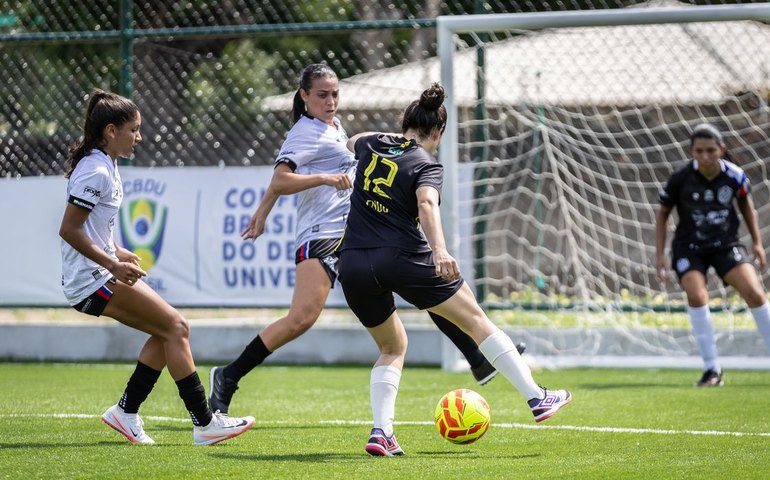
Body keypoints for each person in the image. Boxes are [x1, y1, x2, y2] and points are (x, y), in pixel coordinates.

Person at [208, 64, 520, 415]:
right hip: (323, 235)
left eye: (335, 94)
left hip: (354, 232)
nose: (331, 101)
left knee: (421, 282)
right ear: (304, 96)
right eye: (322, 95)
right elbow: (281, 179)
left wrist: (263, 213)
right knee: (301, 319)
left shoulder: (334, 127)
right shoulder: (304, 132)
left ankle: (476, 357)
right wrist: (325, 179)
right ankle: (228, 375)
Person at [337, 83, 572, 457]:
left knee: (392, 346)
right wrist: (440, 251)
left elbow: (355, 140)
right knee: (478, 321)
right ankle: (537, 398)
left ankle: (382, 432)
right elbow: (427, 204)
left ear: (405, 123)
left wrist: (392, 138)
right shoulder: (426, 164)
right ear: (439, 132)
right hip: (403, 257)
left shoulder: (372, 143)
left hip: (352, 263)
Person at [59, 89, 254, 445]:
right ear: (111, 131)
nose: (139, 137)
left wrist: (118, 250)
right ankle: (205, 423)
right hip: (90, 280)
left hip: (98, 272)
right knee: (176, 327)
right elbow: (69, 229)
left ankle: (125, 412)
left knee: (169, 331)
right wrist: (112, 263)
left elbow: (93, 228)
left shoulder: (106, 164)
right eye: (133, 129)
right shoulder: (95, 169)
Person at [656, 123, 770, 387]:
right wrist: (659, 254)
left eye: (710, 150)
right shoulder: (680, 178)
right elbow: (662, 214)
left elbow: (746, 206)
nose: (705, 156)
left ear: (721, 149)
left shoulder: (736, 176)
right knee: (697, 295)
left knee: (755, 293)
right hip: (689, 247)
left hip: (725, 245)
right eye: (699, 151)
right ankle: (712, 370)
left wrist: (757, 243)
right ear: (691, 152)